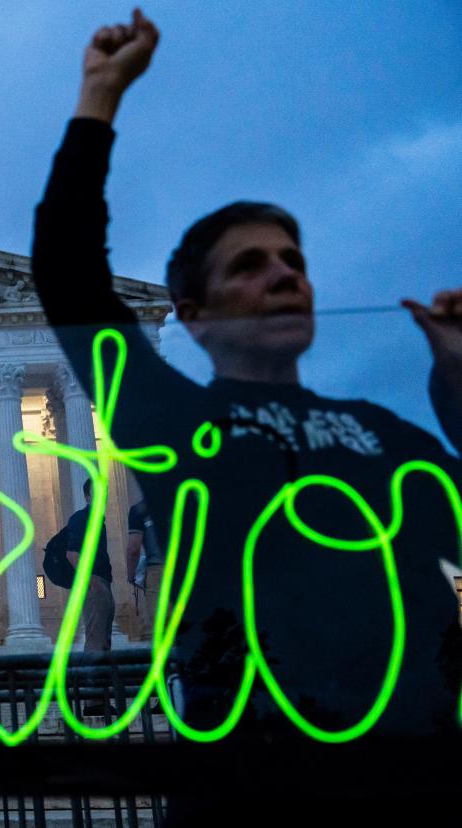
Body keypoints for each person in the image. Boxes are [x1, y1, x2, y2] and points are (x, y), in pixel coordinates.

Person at [32, 7, 462, 819]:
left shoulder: (383, 429)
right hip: (256, 784)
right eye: (252, 265)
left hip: (418, 774)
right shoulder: (178, 426)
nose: (285, 277)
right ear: (193, 314)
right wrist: (98, 100)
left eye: (295, 262)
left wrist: (456, 379)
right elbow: (69, 278)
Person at [64, 478, 113, 656]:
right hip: (94, 582)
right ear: (87, 496)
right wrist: (91, 580)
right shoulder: (81, 518)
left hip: (103, 582)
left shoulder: (98, 520)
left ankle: (101, 680)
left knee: (104, 640)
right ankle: (91, 682)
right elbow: (71, 554)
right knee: (96, 640)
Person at [126, 498, 164, 643]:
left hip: (158, 570)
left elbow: (133, 548)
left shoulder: (140, 509)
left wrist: (131, 575)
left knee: (159, 629)